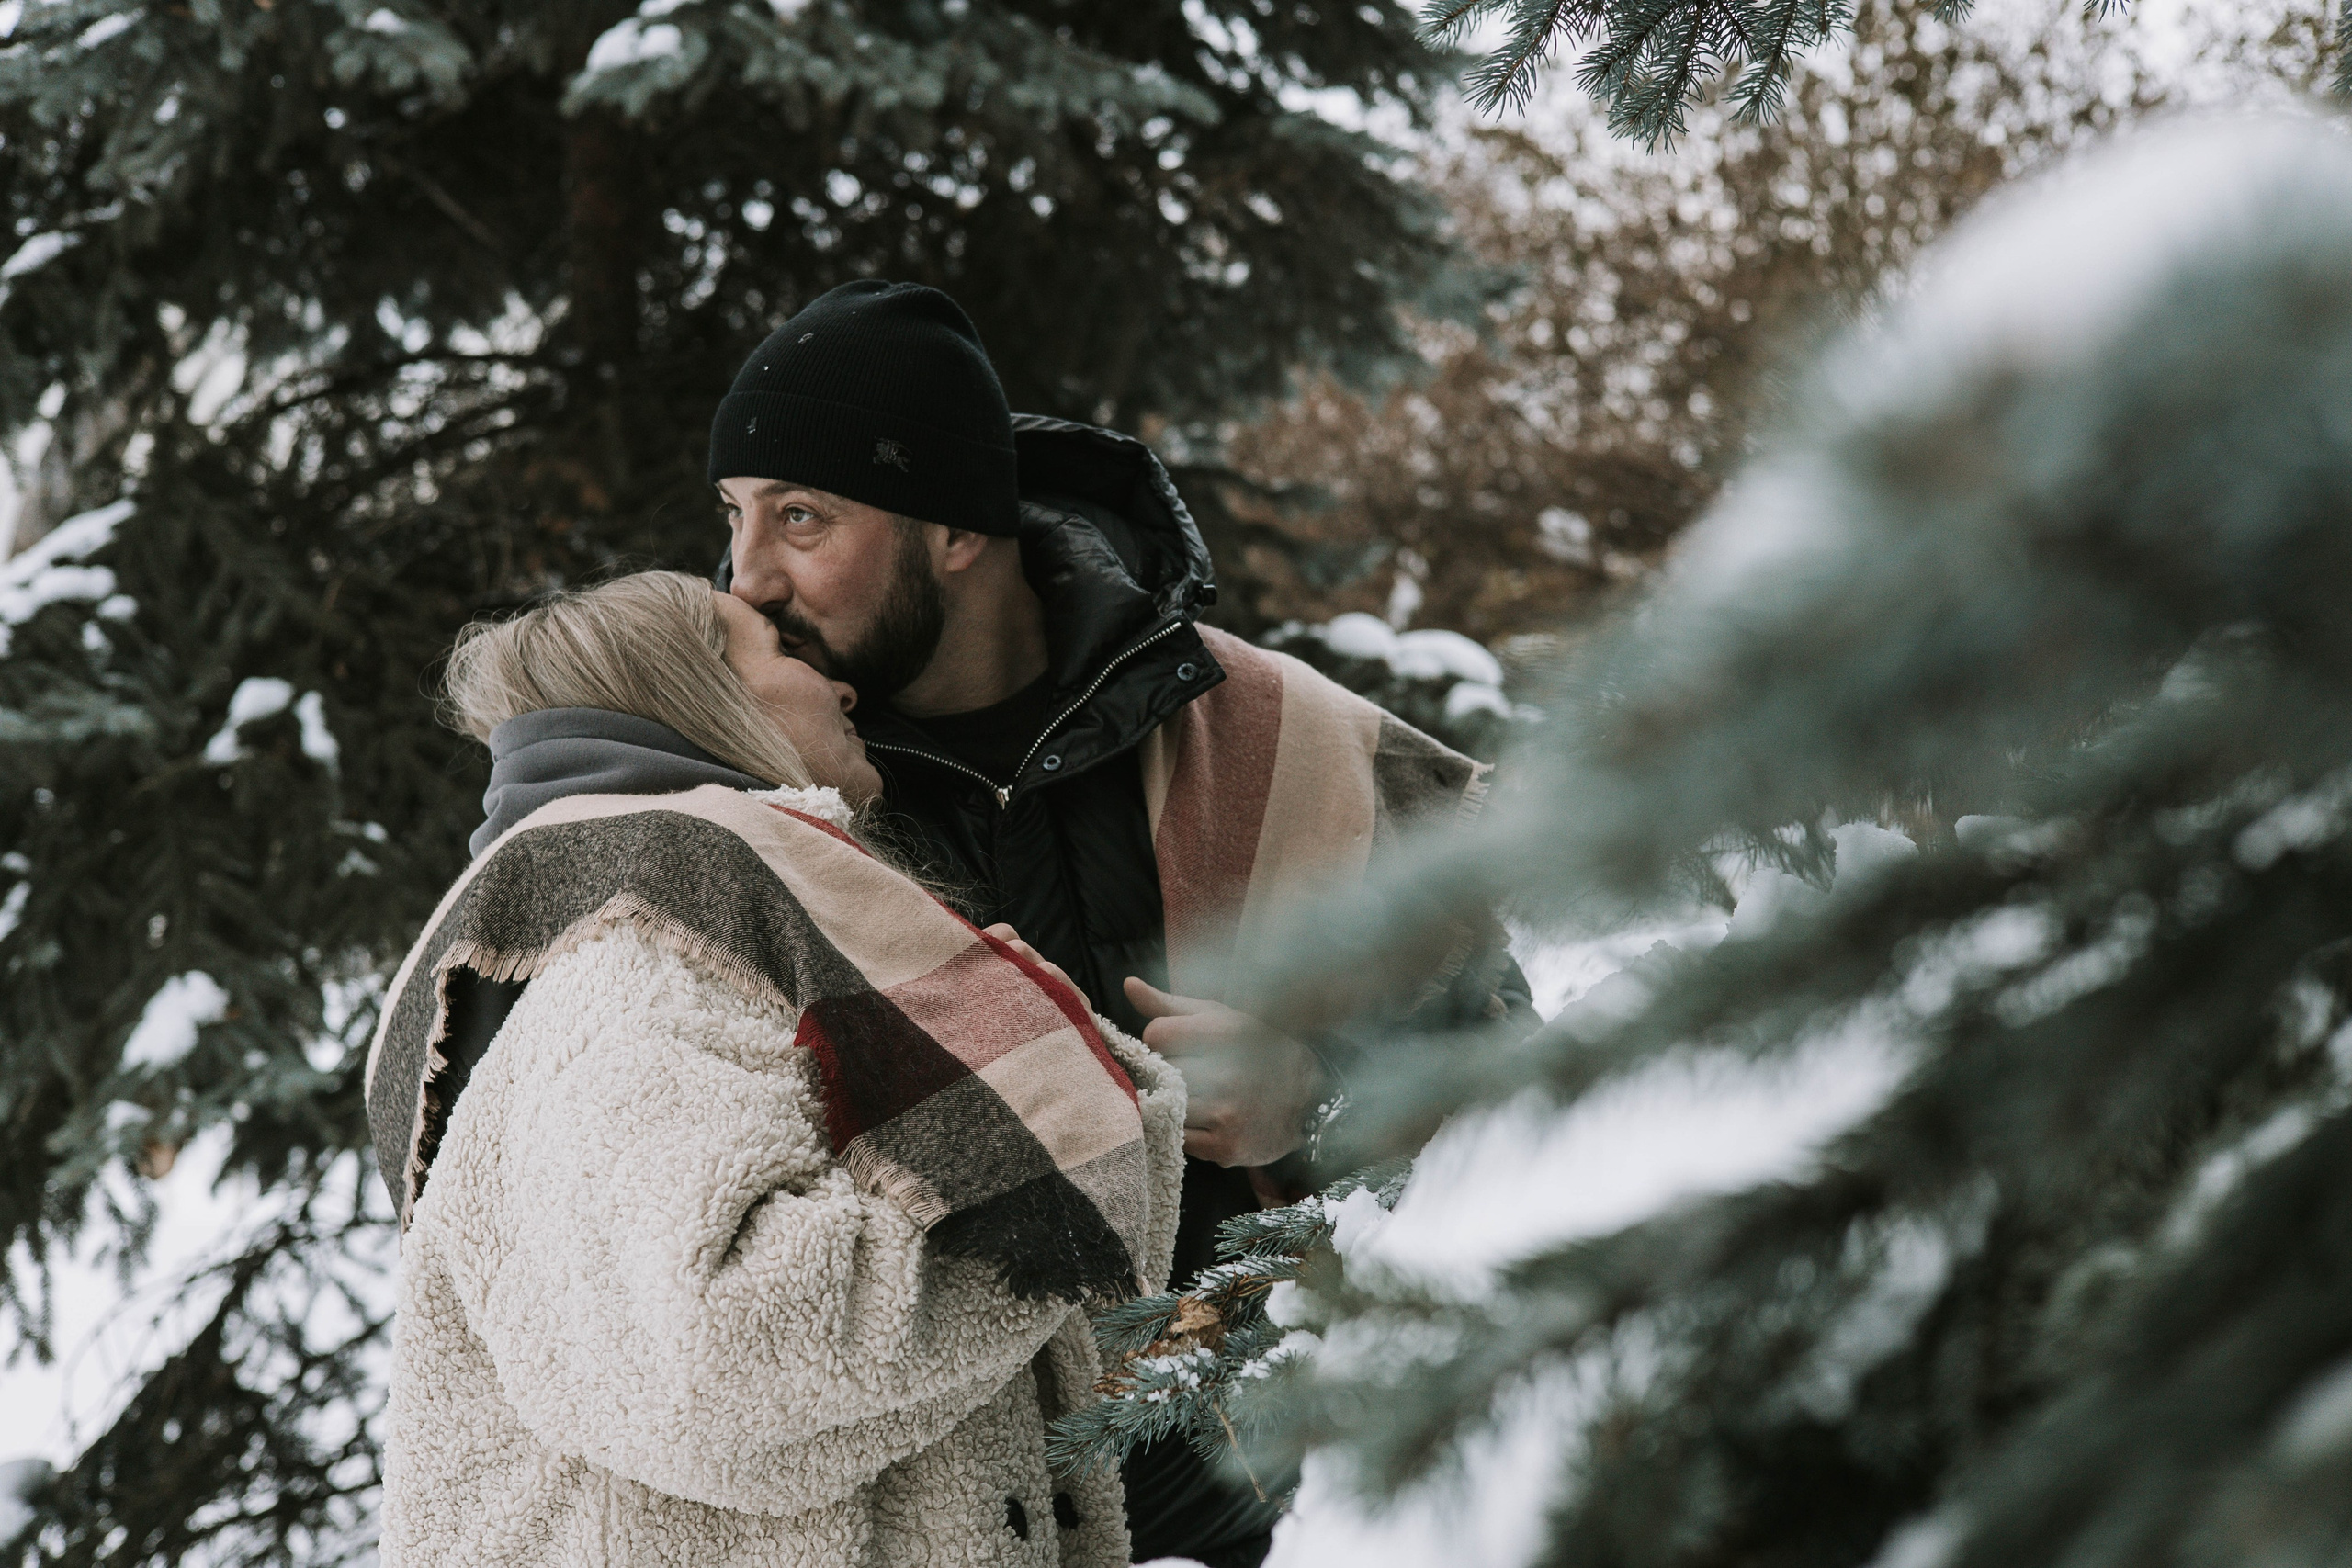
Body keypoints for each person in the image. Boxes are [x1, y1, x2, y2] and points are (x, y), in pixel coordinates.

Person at [707, 280, 1536, 1566]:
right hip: (919, 1517)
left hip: (1283, 1497)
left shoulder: (1283, 736)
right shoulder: (756, 793)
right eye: (736, 515)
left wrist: (1313, 1100)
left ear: (956, 531)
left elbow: (1522, 1101)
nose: (746, 575)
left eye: (801, 515)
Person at [367, 571, 1187, 1567]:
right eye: (786, 653)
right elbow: (712, 1364)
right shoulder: (630, 967)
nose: (842, 689)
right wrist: (1058, 1130)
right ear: (694, 691)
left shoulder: (712, 941)